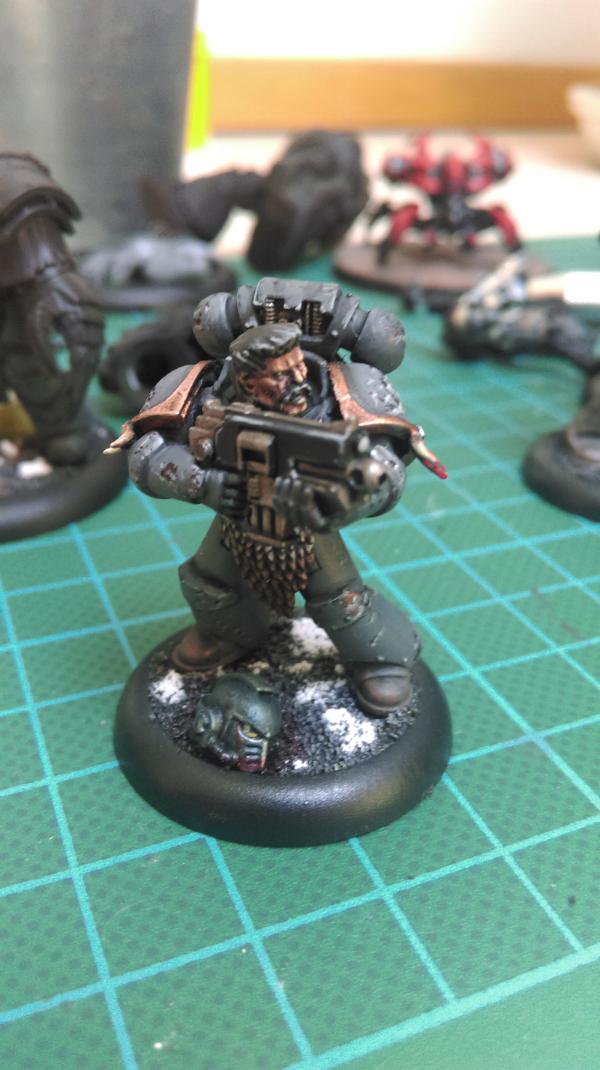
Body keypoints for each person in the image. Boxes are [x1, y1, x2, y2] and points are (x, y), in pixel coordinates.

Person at [124, 320, 425, 717]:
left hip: (304, 524)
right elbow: (145, 453)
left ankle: (382, 660)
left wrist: (346, 502)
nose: (298, 379)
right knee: (207, 583)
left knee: (341, 601)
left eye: (299, 366)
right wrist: (202, 481)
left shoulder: (339, 397)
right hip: (237, 512)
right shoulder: (202, 391)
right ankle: (228, 635)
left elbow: (387, 464)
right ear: (247, 380)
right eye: (281, 375)